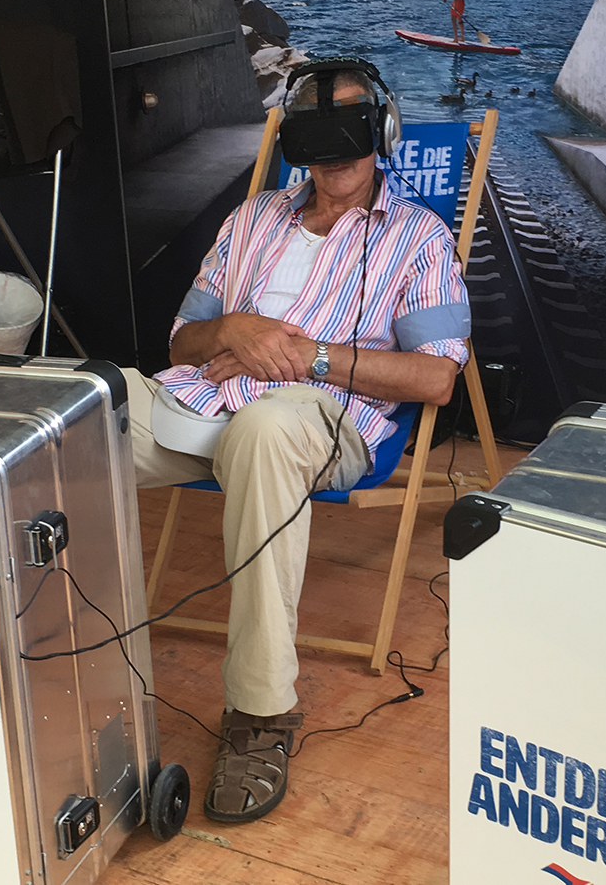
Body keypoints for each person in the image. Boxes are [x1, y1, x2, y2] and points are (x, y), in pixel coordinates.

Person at [123, 62, 468, 823]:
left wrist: (307, 357)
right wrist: (234, 330)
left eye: (351, 128)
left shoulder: (417, 236)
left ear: (383, 132)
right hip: (200, 401)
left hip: (318, 416)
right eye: (315, 134)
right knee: (78, 413)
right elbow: (182, 342)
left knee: (266, 431)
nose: (334, 152)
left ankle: (261, 711)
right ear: (292, 145)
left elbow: (435, 378)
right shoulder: (250, 220)